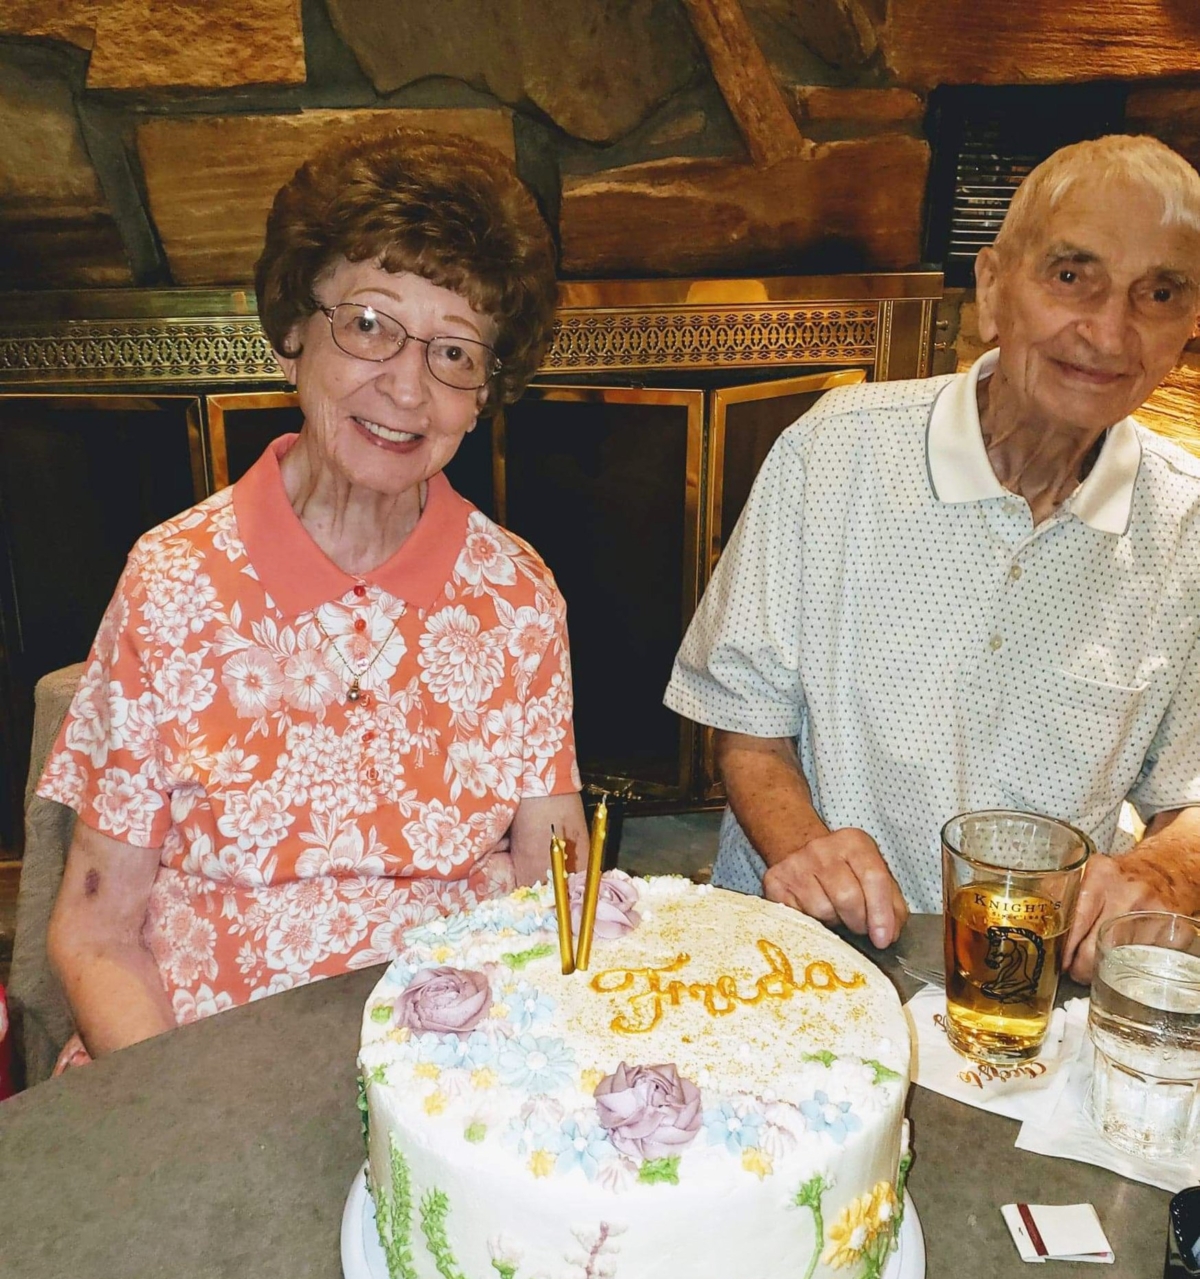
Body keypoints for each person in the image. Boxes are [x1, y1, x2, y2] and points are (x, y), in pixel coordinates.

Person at [40, 127, 586, 1059]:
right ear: (295, 333)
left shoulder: (518, 596)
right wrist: (191, 1114)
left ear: (483, 395)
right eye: (369, 325)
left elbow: (555, 893)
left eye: (456, 353)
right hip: (202, 1064)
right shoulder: (172, 581)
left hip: (453, 1067)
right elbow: (95, 935)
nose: (407, 389)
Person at [666, 134, 1200, 983]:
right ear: (993, 289)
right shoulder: (833, 451)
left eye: (1159, 293)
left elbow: (1192, 794)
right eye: (1072, 276)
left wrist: (1161, 873)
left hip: (1028, 980)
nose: (1108, 332)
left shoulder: (1187, 525)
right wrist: (803, 846)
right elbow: (747, 723)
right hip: (808, 948)